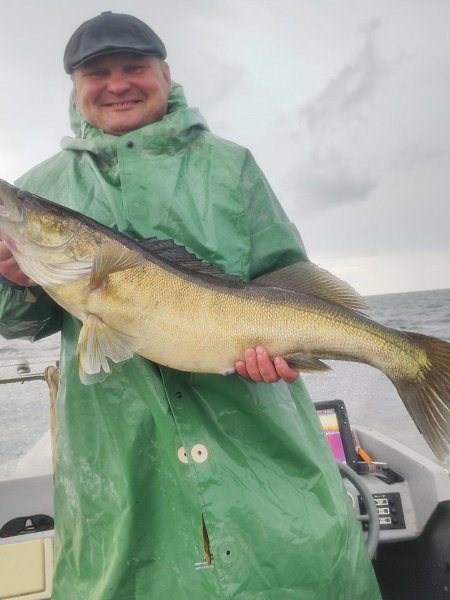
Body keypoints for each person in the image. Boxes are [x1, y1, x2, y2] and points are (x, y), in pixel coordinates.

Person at [0, 12, 380, 599]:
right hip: (119, 446)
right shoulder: (42, 184)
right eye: (97, 73)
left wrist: (284, 353)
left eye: (134, 67)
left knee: (289, 568)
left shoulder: (231, 165)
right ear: (75, 87)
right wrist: (14, 281)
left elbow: (288, 279)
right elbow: (22, 321)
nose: (117, 84)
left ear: (166, 74)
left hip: (253, 432)